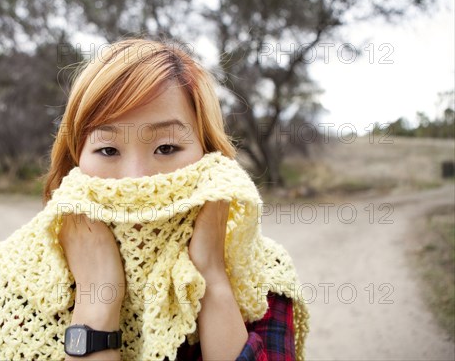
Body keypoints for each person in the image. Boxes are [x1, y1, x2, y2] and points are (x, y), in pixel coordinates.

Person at [39, 38, 302, 360]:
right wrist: (97, 303)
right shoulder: (33, 277)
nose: (137, 179)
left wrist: (212, 276)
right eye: (108, 149)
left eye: (166, 148)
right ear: (74, 159)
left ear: (209, 152)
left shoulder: (259, 276)